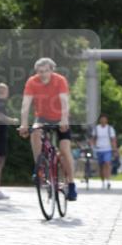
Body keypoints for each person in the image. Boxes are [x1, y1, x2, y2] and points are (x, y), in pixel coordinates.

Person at [18, 57, 78, 201]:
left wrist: (64, 119)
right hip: (42, 117)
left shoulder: (60, 80)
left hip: (60, 117)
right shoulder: (32, 82)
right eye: (40, 71)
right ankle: (39, 167)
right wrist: (23, 124)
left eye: (45, 71)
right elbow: (26, 105)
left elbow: (64, 102)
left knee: (64, 149)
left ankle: (71, 184)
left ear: (52, 70)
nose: (43, 74)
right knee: (35, 132)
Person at [91, 114, 117, 189]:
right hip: (99, 149)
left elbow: (113, 139)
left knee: (107, 164)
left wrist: (114, 149)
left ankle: (108, 181)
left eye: (104, 119)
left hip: (107, 149)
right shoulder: (96, 128)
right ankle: (103, 181)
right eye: (102, 119)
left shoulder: (110, 128)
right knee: (101, 166)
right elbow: (93, 138)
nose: (103, 120)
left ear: (106, 120)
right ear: (100, 120)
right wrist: (92, 146)